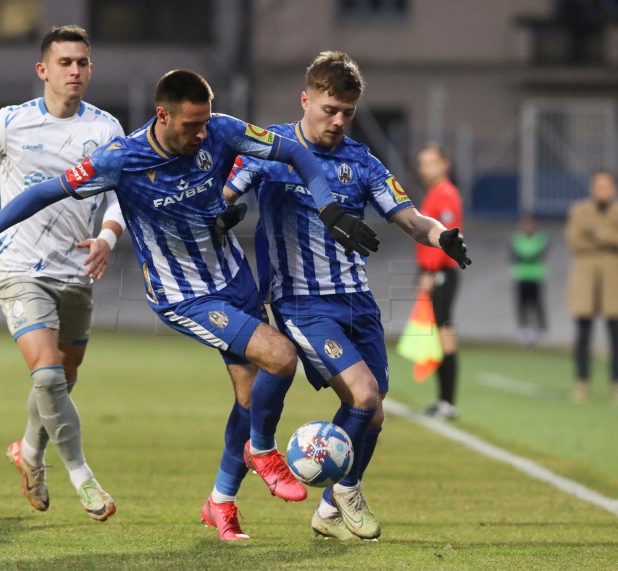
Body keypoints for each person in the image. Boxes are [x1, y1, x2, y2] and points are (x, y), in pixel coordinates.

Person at [0, 68, 382, 541]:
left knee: (250, 397)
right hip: (184, 295)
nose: (202, 133)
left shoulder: (222, 129)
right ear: (163, 115)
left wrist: (328, 205)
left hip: (234, 279)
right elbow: (43, 192)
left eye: (206, 122)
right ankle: (263, 451)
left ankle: (221, 503)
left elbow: (291, 149)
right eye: (192, 125)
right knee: (281, 356)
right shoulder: (122, 159)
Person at [224, 51, 471, 541]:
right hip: (303, 303)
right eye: (329, 109)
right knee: (360, 395)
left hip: (358, 300)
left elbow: (409, 217)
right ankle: (345, 491)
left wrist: (441, 235)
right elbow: (223, 198)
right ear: (306, 99)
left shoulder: (361, 161)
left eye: (348, 113)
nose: (338, 121)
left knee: (373, 410)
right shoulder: (268, 149)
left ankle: (331, 508)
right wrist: (220, 214)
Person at [0, 25, 125, 521]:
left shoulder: (106, 130)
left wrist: (106, 236)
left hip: (77, 271)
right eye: (65, 62)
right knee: (46, 372)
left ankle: (30, 451)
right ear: (43, 70)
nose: (75, 70)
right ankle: (83, 476)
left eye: (82, 62)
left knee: (63, 376)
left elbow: (121, 195)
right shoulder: (10, 123)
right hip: (21, 269)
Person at [414, 143, 465, 420]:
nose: (425, 168)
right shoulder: (436, 192)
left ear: (444, 164)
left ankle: (448, 402)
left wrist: (430, 273)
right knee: (437, 335)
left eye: (430, 162)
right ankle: (443, 400)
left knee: (445, 335)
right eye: (422, 163)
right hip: (436, 272)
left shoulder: (445, 194)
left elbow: (446, 237)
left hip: (441, 272)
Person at [565, 170, 618, 404]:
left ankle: (616, 384)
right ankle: (582, 381)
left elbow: (596, 236)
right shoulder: (579, 210)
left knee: (615, 334)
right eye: (598, 186)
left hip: (612, 277)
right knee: (583, 333)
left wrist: (598, 233)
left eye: (606, 186)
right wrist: (608, 238)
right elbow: (575, 239)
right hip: (585, 274)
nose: (602, 191)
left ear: (613, 188)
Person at [511, 215, 548, 345]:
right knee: (522, 305)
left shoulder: (540, 238)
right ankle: (524, 330)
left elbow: (536, 254)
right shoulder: (517, 238)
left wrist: (526, 255)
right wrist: (527, 255)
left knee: (537, 304)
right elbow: (515, 255)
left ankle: (540, 329)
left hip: (535, 276)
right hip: (521, 276)